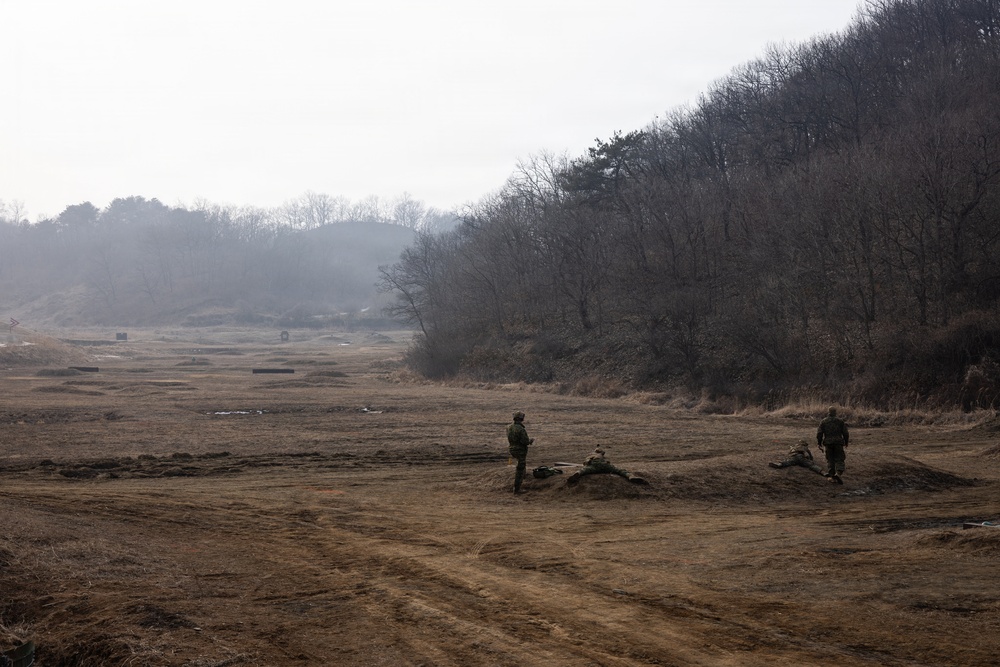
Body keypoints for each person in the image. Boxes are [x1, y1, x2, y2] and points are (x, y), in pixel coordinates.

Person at [567, 447, 647, 484]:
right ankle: (630, 476)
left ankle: (577, 474)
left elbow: (586, 463)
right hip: (604, 465)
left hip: (593, 465)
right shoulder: (601, 456)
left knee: (583, 471)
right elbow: (607, 460)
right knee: (620, 471)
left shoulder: (590, 455)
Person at [816, 406, 850, 484]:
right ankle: (838, 474)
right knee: (840, 459)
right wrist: (846, 442)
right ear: (835, 412)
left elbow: (819, 433)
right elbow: (845, 433)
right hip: (838, 443)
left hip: (828, 443)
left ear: (828, 412)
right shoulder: (840, 421)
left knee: (830, 460)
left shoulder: (823, 421)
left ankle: (832, 477)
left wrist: (819, 443)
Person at [506, 411, 533, 493]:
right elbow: (525, 441)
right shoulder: (521, 429)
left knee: (521, 464)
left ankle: (523, 476)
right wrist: (530, 441)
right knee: (520, 469)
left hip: (512, 449)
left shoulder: (509, 427)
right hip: (520, 450)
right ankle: (517, 489)